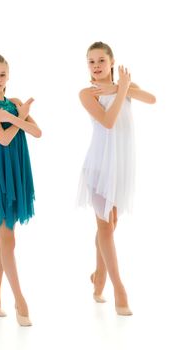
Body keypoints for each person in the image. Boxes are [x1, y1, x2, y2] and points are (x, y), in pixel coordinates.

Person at [77, 42, 156, 316]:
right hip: (98, 166)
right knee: (106, 228)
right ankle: (118, 289)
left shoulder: (123, 85)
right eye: (91, 61)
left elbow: (152, 99)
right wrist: (121, 89)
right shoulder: (87, 93)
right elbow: (108, 122)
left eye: (101, 60)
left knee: (111, 224)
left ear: (112, 62)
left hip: (120, 167)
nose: (96, 65)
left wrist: (124, 87)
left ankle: (98, 276)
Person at [0, 54, 42, 326]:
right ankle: (20, 299)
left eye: (2, 74)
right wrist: (17, 119)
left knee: (4, 239)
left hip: (18, 172)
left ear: (8, 77)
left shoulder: (14, 104)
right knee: (8, 239)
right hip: (0, 176)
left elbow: (37, 132)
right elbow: (2, 138)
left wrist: (15, 114)